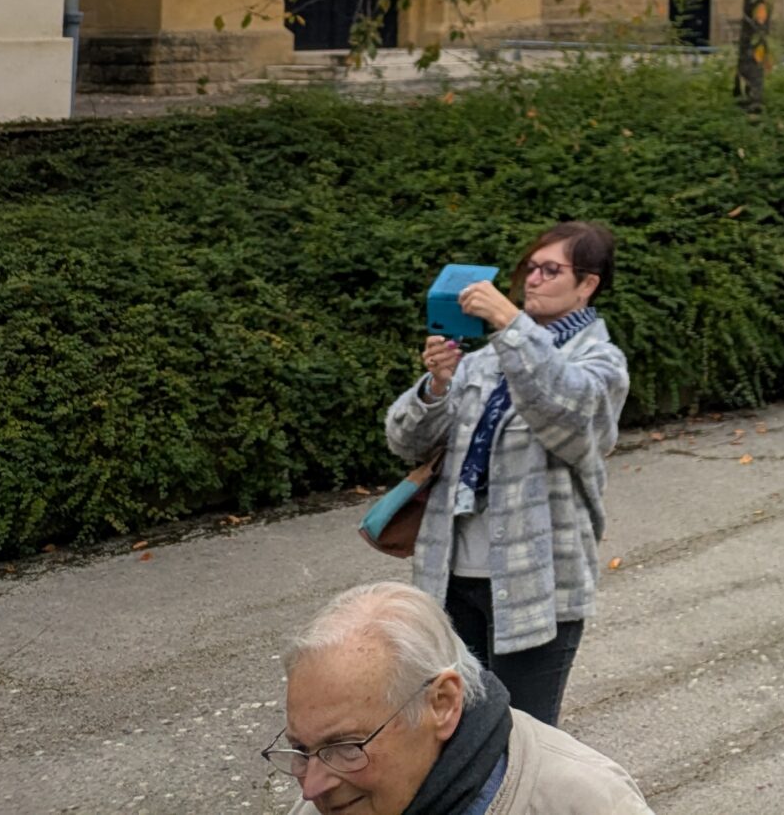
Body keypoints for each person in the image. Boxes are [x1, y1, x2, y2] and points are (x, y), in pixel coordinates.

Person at [385, 221, 631, 725]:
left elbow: (570, 421)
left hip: (538, 586)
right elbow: (405, 442)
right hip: (451, 578)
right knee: (457, 730)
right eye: (530, 269)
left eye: (550, 269)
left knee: (525, 735)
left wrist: (510, 323)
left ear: (587, 284)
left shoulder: (602, 364)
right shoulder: (483, 363)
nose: (533, 280)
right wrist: (436, 386)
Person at [265, 581, 652, 814]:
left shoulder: (586, 803)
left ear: (442, 703)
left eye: (346, 747)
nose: (310, 788)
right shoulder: (330, 803)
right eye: (300, 750)